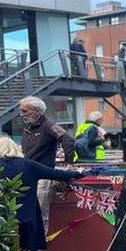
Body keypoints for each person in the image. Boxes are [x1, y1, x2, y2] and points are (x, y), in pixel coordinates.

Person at [0, 137, 83, 251]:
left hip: (1, 218)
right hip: (29, 216)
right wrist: (78, 173)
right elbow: (56, 174)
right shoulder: (28, 165)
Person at [19, 95, 75, 236]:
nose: (21, 115)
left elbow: (67, 139)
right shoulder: (29, 128)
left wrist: (69, 165)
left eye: (25, 111)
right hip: (29, 177)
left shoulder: (47, 125)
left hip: (42, 179)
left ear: (37, 111)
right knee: (30, 215)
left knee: (39, 217)